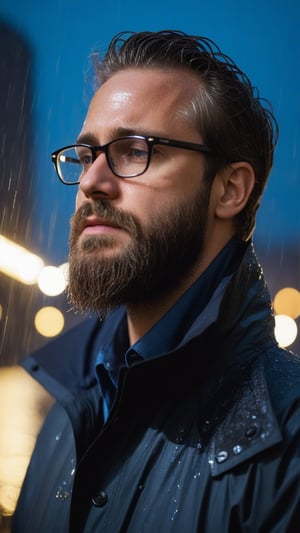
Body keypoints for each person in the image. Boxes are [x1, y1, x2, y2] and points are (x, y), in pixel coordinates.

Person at [11, 30, 300, 531]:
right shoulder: (66, 416)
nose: (91, 183)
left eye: (133, 150)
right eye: (86, 156)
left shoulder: (288, 441)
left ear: (230, 189)